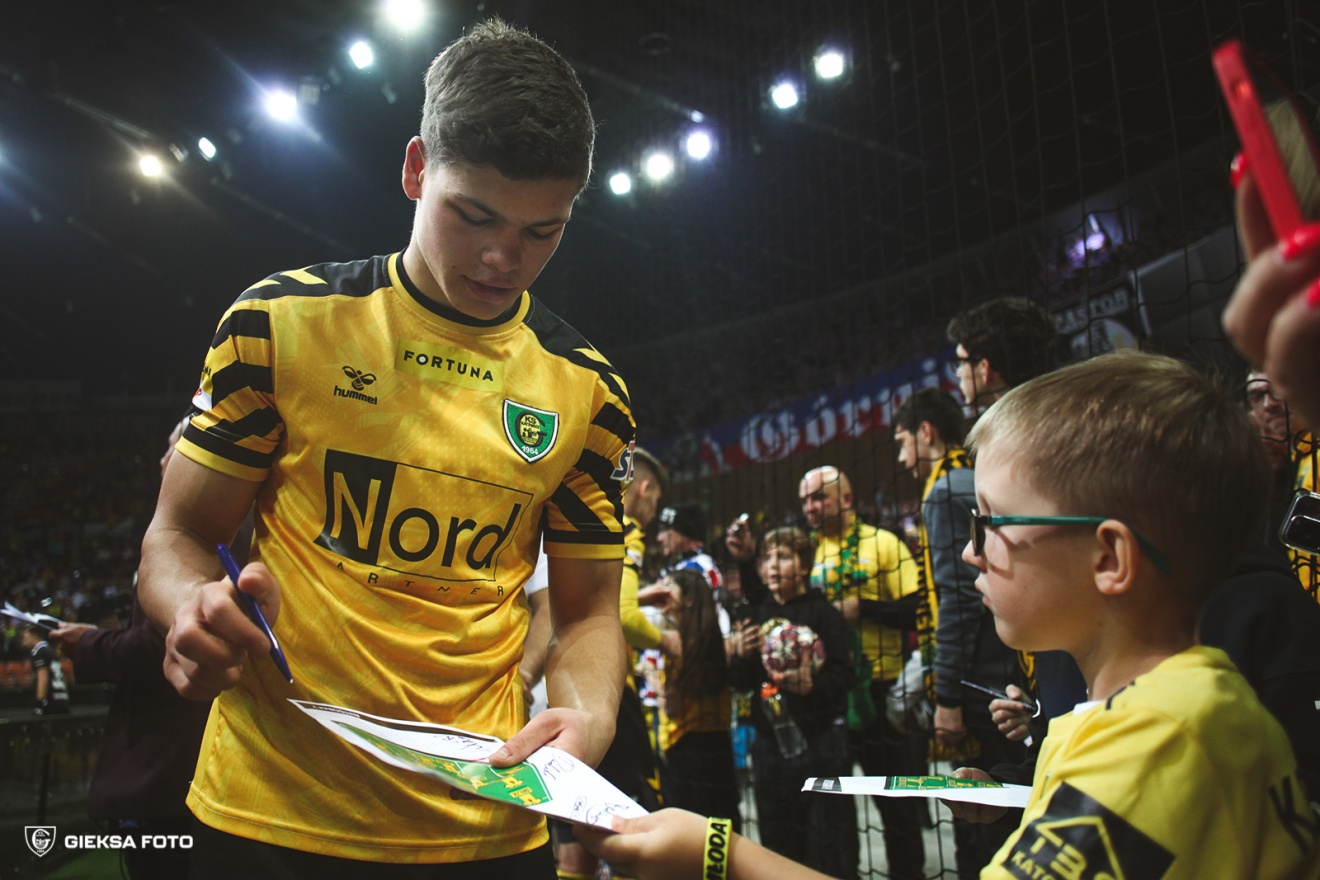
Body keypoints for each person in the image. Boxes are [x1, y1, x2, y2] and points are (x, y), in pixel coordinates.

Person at [137, 19, 634, 877]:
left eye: (542, 231)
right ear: (415, 170)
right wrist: (189, 607)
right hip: (267, 815)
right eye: (473, 215)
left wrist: (588, 713)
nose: (502, 257)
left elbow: (589, 610)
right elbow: (176, 536)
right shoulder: (276, 327)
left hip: (486, 824)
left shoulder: (588, 392)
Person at [578, 351, 1320, 880]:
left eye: (990, 524)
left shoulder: (1158, 742)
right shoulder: (1161, 708)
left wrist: (720, 855)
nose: (968, 553)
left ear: (1108, 558)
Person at [892, 388, 1024, 878]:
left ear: (925, 433)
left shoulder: (944, 491)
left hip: (977, 688)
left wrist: (946, 697)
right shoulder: (976, 477)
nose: (902, 458)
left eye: (902, 442)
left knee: (976, 833)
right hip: (1012, 676)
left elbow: (959, 600)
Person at [525, 447, 672, 880]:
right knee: (634, 831)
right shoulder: (625, 528)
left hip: (550, 699)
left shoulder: (550, 524)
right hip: (604, 698)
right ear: (644, 489)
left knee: (573, 832)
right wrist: (667, 640)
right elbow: (619, 614)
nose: (653, 511)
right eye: (656, 501)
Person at [796, 465, 925, 880]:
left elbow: (918, 609)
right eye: (805, 500)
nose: (810, 507)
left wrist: (863, 609)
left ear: (847, 499)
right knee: (832, 811)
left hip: (882, 695)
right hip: (828, 695)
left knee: (898, 809)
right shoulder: (805, 554)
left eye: (819, 497)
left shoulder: (883, 543)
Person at [728, 527, 856, 880]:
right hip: (770, 747)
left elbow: (845, 676)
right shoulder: (756, 612)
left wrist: (812, 686)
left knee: (831, 845)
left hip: (821, 745)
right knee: (778, 846)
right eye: (767, 558)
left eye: (783, 557)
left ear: (804, 566)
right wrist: (739, 654)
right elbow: (742, 682)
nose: (772, 565)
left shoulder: (823, 614)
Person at [652, 568, 741, 835]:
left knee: (689, 837)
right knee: (722, 834)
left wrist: (654, 681)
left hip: (685, 750)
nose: (662, 593)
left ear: (688, 599)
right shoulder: (716, 642)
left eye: (668, 588)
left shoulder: (675, 645)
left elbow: (672, 709)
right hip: (719, 748)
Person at [18, 624, 69, 715]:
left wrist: (40, 701)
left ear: (34, 636)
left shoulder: (39, 652)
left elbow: (43, 677)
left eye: (25, 637)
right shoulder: (50, 650)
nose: (23, 640)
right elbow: (62, 676)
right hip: (61, 698)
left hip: (50, 701)